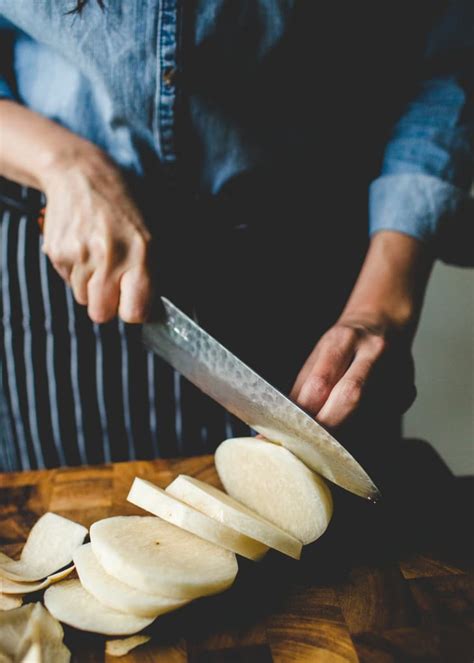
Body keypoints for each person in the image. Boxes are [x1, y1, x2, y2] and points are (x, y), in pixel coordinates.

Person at [0, 1, 472, 474]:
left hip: (312, 281)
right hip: (74, 261)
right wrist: (60, 164)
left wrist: (383, 304)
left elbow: (449, 53)